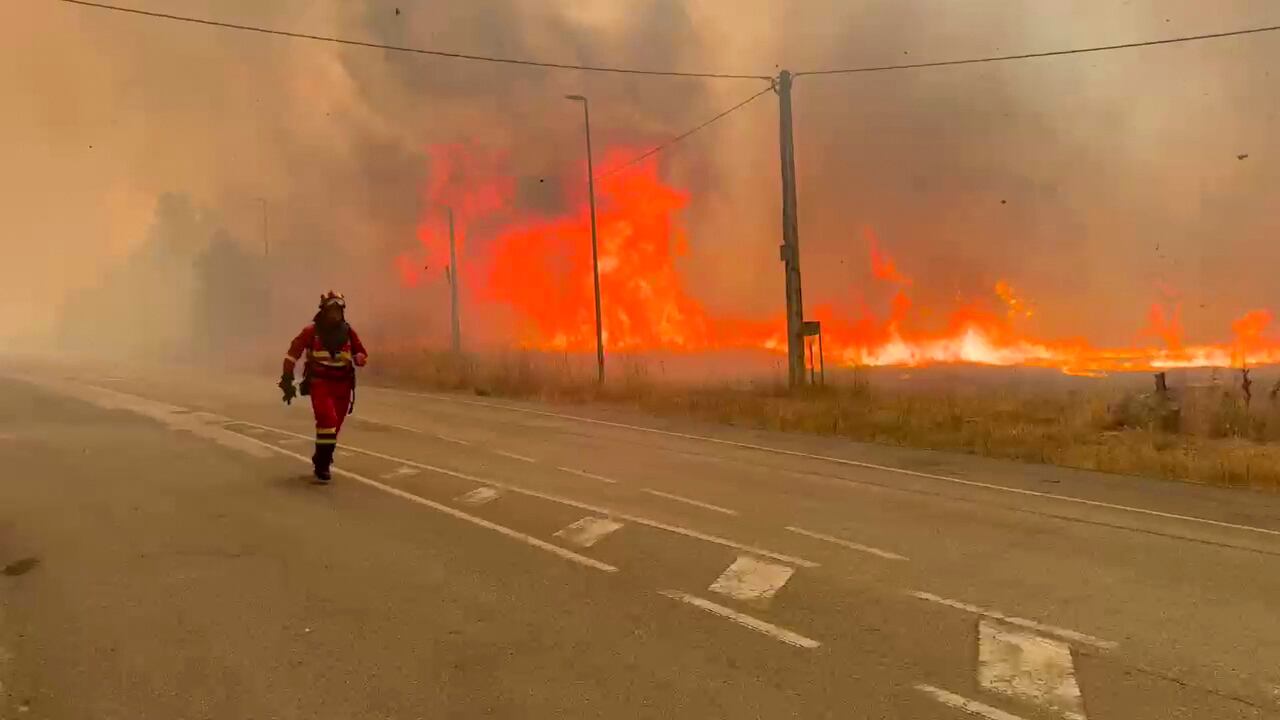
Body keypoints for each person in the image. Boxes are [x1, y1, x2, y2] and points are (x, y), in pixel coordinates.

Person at [279, 291, 368, 483]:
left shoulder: (348, 331)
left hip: (343, 385)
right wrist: (287, 378)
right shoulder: (311, 331)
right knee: (327, 420)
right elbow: (293, 353)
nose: (335, 313)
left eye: (338, 309)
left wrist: (360, 358)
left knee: (334, 427)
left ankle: (322, 457)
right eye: (332, 309)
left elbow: (360, 351)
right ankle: (323, 465)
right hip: (320, 383)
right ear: (324, 310)